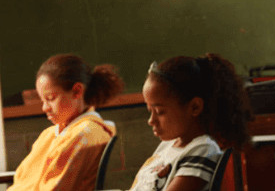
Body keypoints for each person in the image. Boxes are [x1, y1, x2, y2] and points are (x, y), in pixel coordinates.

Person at [130, 53, 251, 191]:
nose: (151, 121)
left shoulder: (203, 150)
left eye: (159, 112)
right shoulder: (167, 145)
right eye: (149, 110)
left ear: (195, 107)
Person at [9, 54, 124, 191]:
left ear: (77, 91)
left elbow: (56, 188)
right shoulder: (51, 134)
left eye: (51, 98)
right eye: (42, 101)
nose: (45, 108)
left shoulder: (85, 134)